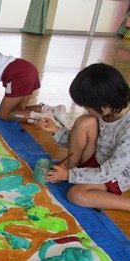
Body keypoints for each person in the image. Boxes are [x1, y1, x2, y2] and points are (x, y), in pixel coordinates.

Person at [38, 63, 130, 211]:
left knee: (75, 194)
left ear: (105, 103)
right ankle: (72, 172)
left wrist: (69, 175)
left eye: (88, 106)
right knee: (84, 121)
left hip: (115, 173)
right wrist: (55, 129)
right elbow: (77, 140)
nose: (86, 109)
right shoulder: (105, 112)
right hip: (98, 157)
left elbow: (108, 171)